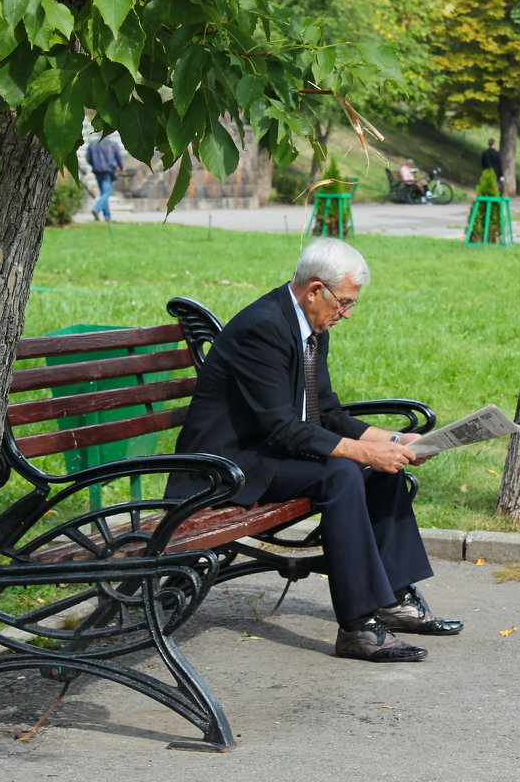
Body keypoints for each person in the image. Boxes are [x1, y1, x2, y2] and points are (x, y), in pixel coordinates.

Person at [167, 238, 463, 662]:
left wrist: (393, 441)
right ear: (314, 290)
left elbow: (325, 411)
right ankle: (359, 626)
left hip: (268, 454)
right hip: (228, 466)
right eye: (343, 302)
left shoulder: (310, 325)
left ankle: (394, 599)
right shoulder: (263, 327)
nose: (346, 314)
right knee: (343, 472)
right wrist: (362, 454)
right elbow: (283, 428)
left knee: (382, 468)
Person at [85, 135, 125, 221]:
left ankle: (107, 216)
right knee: (107, 192)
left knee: (103, 193)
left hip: (97, 171)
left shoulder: (92, 144)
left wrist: (94, 165)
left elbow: (88, 158)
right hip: (108, 171)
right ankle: (96, 209)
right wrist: (121, 167)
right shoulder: (112, 144)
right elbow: (118, 157)